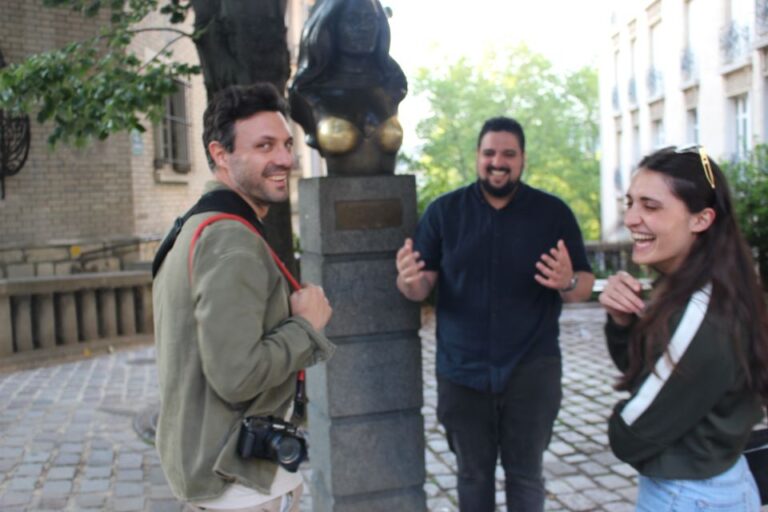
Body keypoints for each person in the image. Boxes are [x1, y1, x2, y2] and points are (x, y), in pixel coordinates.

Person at [396, 116, 595, 511]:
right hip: (461, 372)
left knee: (526, 474)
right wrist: (408, 280)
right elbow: (420, 287)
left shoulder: (552, 213)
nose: (498, 161)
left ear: (522, 159)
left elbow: (583, 287)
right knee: (472, 476)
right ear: (477, 157)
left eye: (508, 153)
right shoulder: (444, 213)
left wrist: (568, 281)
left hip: (532, 370)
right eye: (489, 153)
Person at [152, 83, 335, 512]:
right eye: (264, 145)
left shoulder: (191, 226)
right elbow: (238, 376)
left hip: (217, 470)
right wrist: (305, 327)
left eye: (287, 144)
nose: (285, 159)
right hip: (237, 485)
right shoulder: (231, 240)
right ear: (220, 154)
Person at [598, 146, 768, 511]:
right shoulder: (687, 284)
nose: (631, 218)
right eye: (630, 203)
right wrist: (621, 321)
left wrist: (617, 421)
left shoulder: (704, 308)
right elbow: (646, 368)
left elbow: (633, 432)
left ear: (701, 219)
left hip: (691, 497)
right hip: (705, 486)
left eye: (650, 206)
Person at [288, 0, 407, 176]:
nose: (364, 28)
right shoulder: (306, 92)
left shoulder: (393, 85)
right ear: (331, 26)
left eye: (370, 19)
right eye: (353, 19)